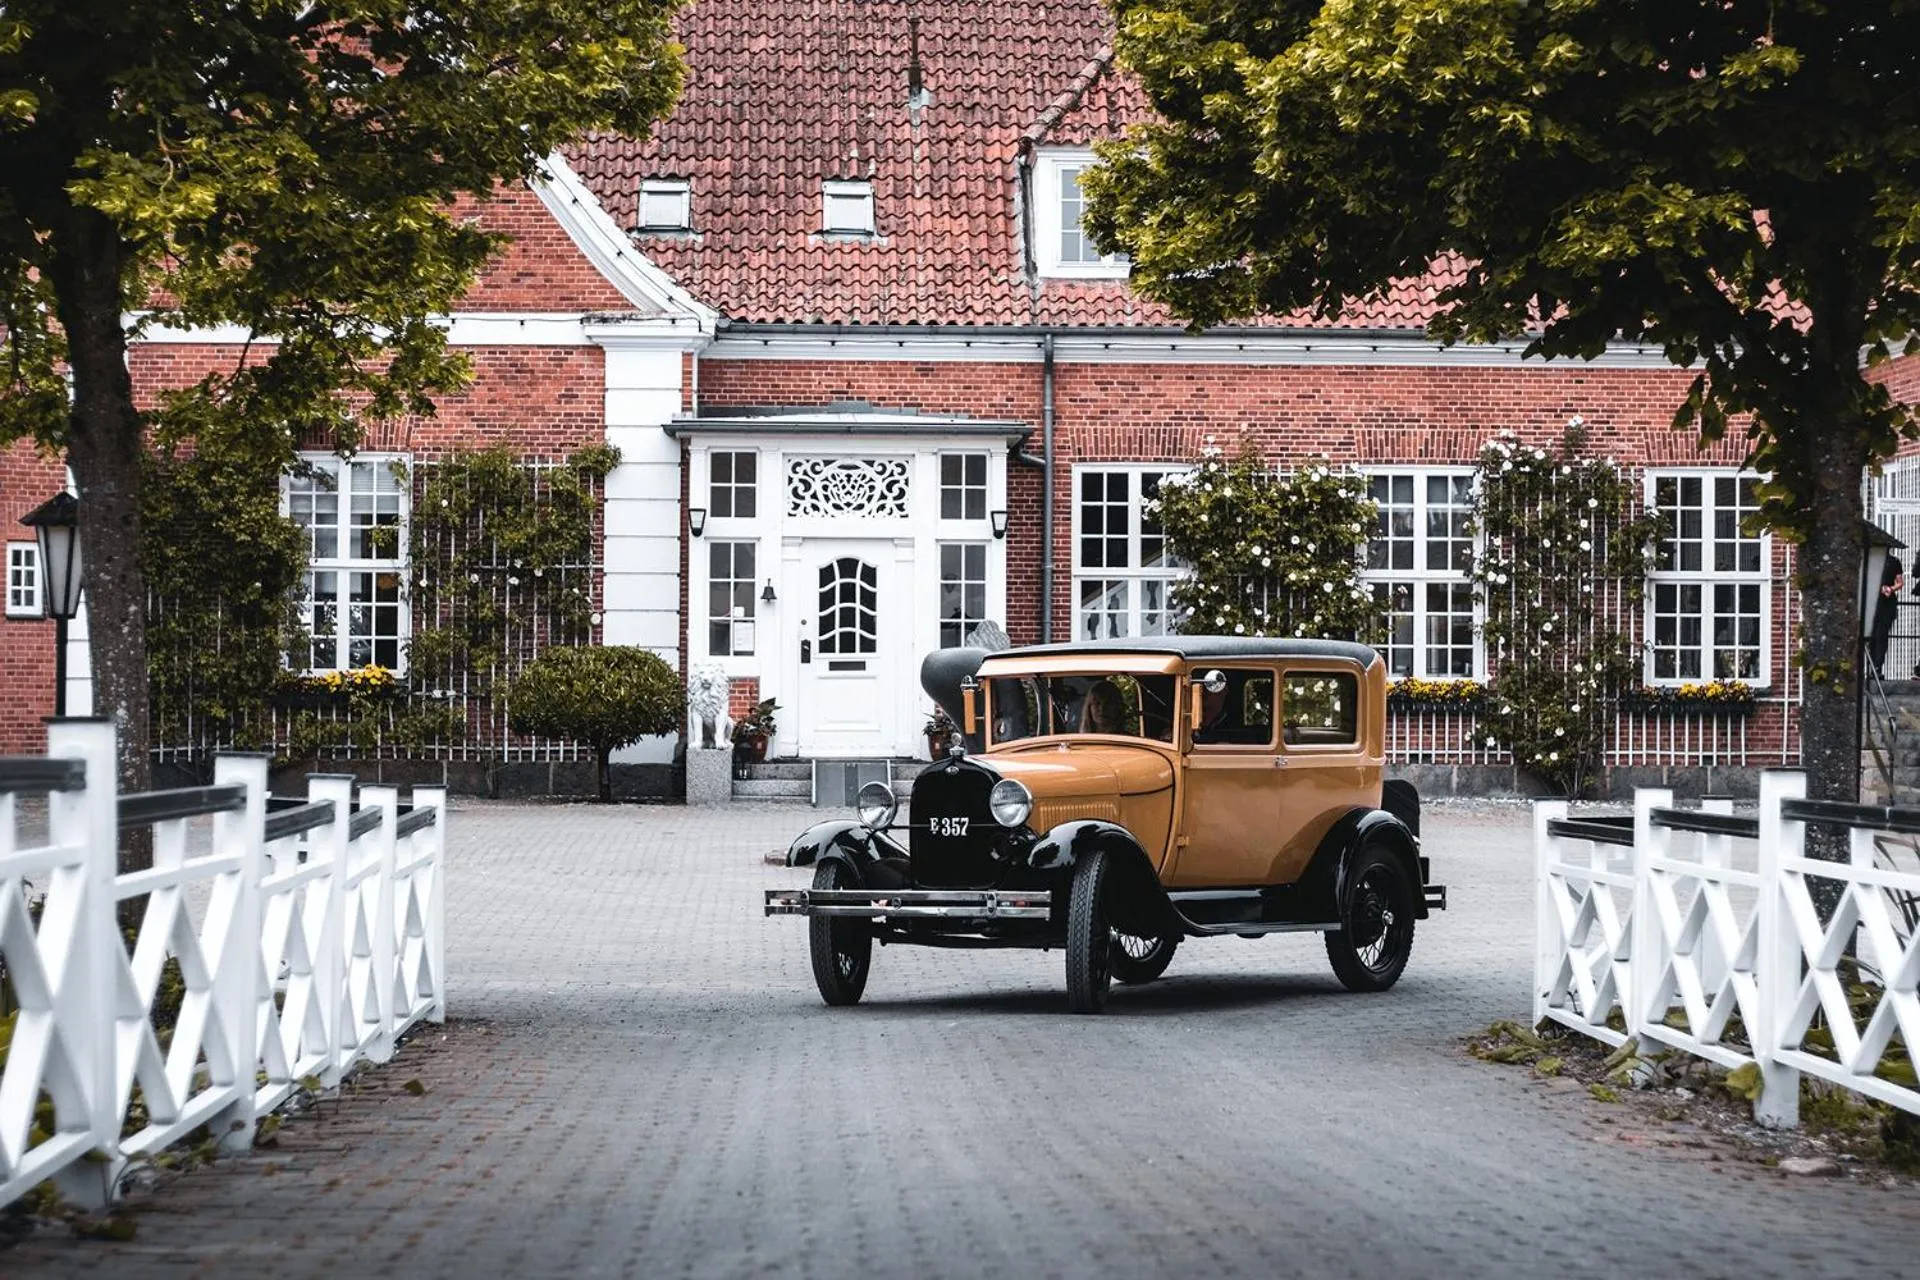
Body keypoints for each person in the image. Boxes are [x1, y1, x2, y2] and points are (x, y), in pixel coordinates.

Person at [1871, 551, 1905, 677]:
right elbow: (1899, 583)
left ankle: (1876, 667)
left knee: (1879, 635)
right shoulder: (1893, 561)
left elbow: (1900, 583)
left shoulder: (1892, 562)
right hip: (1879, 601)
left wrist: (1889, 589)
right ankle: (1875, 667)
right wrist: (1890, 589)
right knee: (1877, 636)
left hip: (1883, 603)